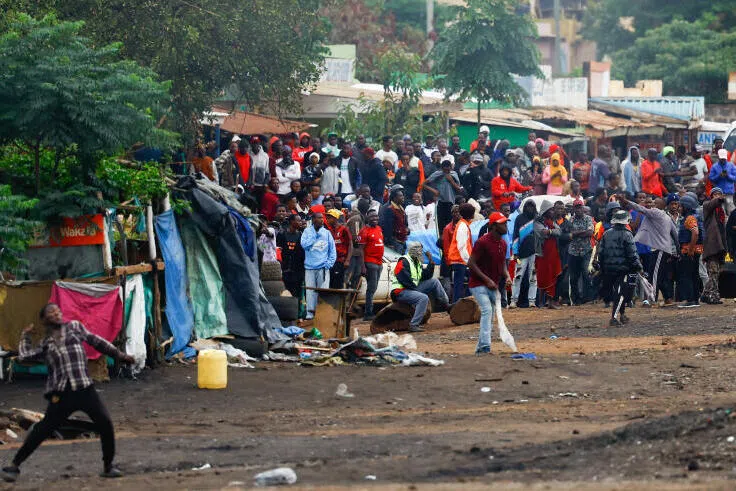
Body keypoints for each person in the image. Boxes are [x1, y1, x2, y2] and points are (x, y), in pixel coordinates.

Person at [2, 304, 136, 482]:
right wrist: (25, 336)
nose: (56, 314)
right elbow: (24, 356)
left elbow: (98, 342)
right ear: (44, 320)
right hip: (62, 394)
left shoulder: (75, 327)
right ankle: (14, 465)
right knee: (42, 430)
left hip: (84, 389)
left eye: (57, 311)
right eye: (51, 313)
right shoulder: (46, 344)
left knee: (105, 423)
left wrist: (120, 355)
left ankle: (108, 466)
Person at [618, 194, 678, 306]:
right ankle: (668, 298)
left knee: (654, 275)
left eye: (655, 203)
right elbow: (674, 234)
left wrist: (626, 201)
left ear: (661, 206)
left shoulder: (656, 212)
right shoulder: (667, 217)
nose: (652, 205)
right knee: (662, 275)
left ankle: (651, 299)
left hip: (659, 249)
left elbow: (640, 209)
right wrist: (677, 251)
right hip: (664, 250)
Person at [468, 212, 512, 354]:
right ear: (493, 226)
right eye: (503, 223)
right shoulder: (482, 242)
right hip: (478, 283)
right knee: (487, 310)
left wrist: (508, 276)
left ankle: (480, 348)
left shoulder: (503, 244)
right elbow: (471, 263)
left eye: (506, 223)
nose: (506, 225)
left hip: (492, 284)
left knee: (491, 312)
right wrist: (486, 279)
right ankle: (486, 346)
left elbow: (503, 264)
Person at [390, 242, 450, 332]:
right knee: (423, 298)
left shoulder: (416, 262)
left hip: (411, 288)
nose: (421, 252)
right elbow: (404, 279)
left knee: (434, 282)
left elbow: (426, 276)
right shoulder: (404, 261)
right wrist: (416, 291)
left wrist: (431, 262)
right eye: (419, 250)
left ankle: (446, 305)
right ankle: (413, 324)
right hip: (400, 291)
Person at [597, 210, 642, 326]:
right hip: (623, 269)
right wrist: (639, 266)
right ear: (626, 221)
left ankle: (622, 315)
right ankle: (614, 317)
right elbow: (632, 254)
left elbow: (600, 252)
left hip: (608, 269)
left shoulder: (607, 233)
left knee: (617, 293)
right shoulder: (627, 234)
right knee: (621, 294)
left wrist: (601, 267)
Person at [301, 212, 336, 320]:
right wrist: (315, 236)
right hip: (309, 267)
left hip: (323, 267)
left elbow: (332, 251)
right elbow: (304, 245)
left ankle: (322, 313)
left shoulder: (327, 233)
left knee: (323, 291)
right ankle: (310, 314)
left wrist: (328, 264)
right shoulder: (307, 232)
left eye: (322, 218)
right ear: (313, 219)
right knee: (310, 291)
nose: (322, 220)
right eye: (319, 218)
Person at [534, 200, 562, 309]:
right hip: (542, 253)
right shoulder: (537, 222)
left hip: (553, 253)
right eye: (551, 210)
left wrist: (550, 232)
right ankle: (540, 302)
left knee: (553, 276)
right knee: (543, 277)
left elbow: (559, 232)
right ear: (545, 211)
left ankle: (550, 301)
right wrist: (551, 232)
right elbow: (541, 233)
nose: (553, 211)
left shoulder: (552, 221)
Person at [510, 200, 538, 309]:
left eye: (532, 206)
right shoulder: (519, 218)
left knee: (533, 277)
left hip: (535, 253)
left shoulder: (537, 218)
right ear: (525, 207)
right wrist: (515, 252)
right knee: (517, 276)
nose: (530, 208)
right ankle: (513, 301)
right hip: (521, 254)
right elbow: (516, 236)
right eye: (528, 206)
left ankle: (532, 301)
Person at [701, 188, 727, 304]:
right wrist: (719, 198)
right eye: (715, 194)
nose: (717, 196)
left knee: (716, 273)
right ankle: (713, 297)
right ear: (711, 196)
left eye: (719, 194)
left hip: (720, 246)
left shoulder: (721, 212)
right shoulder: (707, 206)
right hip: (712, 246)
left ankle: (706, 294)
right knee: (713, 272)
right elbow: (713, 203)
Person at [677, 195, 703, 308]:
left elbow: (695, 233)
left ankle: (690, 299)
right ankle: (695, 299)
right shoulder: (693, 217)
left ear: (686, 206)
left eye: (680, 206)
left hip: (689, 251)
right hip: (694, 250)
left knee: (687, 275)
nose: (679, 208)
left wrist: (691, 249)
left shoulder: (690, 218)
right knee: (694, 275)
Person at [423, 160, 463, 234]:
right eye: (445, 170)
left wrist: (451, 181)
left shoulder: (454, 174)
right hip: (440, 202)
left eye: (448, 169)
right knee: (441, 226)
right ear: (442, 168)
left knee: (451, 225)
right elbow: (424, 184)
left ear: (451, 168)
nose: (446, 171)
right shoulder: (437, 174)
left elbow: (459, 190)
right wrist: (434, 191)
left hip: (451, 202)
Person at [357, 210, 384, 320]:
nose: (374, 218)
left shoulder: (379, 228)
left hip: (379, 262)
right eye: (372, 216)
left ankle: (369, 311)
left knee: (374, 288)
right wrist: (363, 266)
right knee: (371, 288)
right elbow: (360, 250)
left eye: (376, 216)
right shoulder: (364, 231)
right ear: (367, 217)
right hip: (370, 262)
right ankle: (368, 313)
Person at [567, 199, 594, 305]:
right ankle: (576, 299)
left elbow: (590, 233)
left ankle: (587, 298)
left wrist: (575, 233)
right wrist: (582, 232)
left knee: (586, 273)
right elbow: (569, 234)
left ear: (583, 208)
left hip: (586, 250)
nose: (578, 209)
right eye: (576, 207)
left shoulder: (588, 218)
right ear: (574, 208)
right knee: (573, 277)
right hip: (573, 251)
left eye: (580, 207)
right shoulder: (570, 220)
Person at [447, 203, 475, 302]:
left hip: (459, 260)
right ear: (470, 214)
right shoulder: (463, 226)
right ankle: (457, 305)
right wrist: (469, 261)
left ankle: (461, 303)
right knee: (459, 285)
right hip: (459, 260)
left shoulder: (462, 224)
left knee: (459, 284)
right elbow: (461, 247)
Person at [325, 209, 353, 289]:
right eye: (327, 218)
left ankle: (338, 301)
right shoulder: (328, 230)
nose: (327, 220)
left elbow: (350, 245)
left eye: (329, 218)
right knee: (330, 283)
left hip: (340, 261)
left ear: (335, 218)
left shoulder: (343, 229)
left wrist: (347, 260)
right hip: (330, 261)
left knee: (338, 284)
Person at [380, 188, 409, 254]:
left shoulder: (401, 208)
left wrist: (407, 229)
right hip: (395, 242)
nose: (403, 197)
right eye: (400, 196)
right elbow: (388, 228)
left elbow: (405, 224)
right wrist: (390, 242)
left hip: (402, 240)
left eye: (402, 195)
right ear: (395, 198)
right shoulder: (390, 209)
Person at [708, 149, 736, 214]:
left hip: (729, 193)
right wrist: (719, 176)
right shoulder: (714, 166)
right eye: (721, 158)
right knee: (721, 212)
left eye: (724, 158)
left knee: (731, 212)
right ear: (718, 157)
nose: (723, 160)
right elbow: (711, 178)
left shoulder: (731, 166)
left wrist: (728, 176)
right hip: (718, 194)